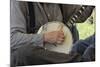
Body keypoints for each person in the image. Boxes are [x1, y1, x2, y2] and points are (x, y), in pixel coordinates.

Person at [11, 0, 95, 67]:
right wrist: (44, 37)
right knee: (24, 53)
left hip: (61, 55)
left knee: (81, 45)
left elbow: (80, 16)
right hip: (34, 58)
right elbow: (12, 39)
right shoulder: (18, 3)